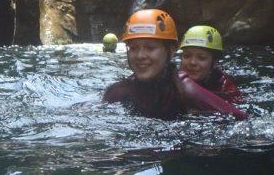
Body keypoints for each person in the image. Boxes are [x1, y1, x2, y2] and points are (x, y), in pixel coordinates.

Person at [103, 10, 248, 120]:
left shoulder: (186, 90)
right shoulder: (119, 91)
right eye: (133, 48)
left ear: (172, 50)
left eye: (150, 48)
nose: (140, 56)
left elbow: (242, 119)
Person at [178, 25, 248, 111]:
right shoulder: (173, 78)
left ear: (214, 63)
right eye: (187, 56)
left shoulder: (226, 89)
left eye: (201, 58)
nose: (192, 62)